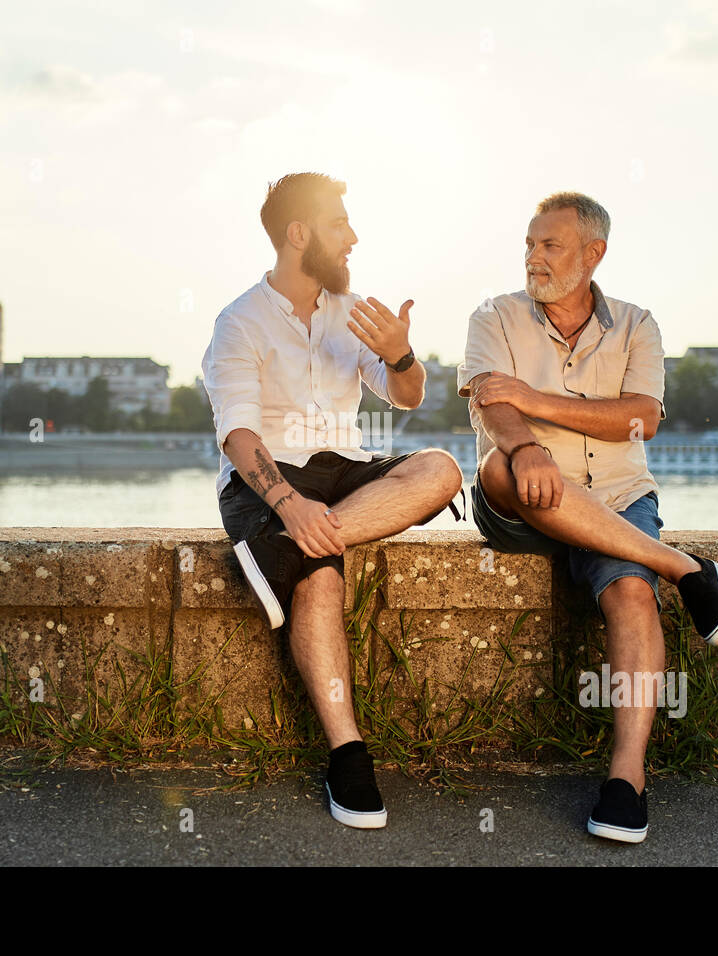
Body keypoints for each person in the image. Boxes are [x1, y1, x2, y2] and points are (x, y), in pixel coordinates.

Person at [458, 191, 718, 844]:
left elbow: (641, 417)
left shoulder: (637, 324)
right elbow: (492, 407)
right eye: (529, 243)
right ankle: (688, 570)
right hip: (522, 493)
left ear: (593, 253)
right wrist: (526, 440)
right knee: (502, 469)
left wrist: (538, 401)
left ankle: (626, 780)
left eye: (549, 245)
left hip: (615, 499)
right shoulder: (493, 316)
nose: (533, 256)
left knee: (632, 595)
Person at [201, 172, 464, 830]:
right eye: (339, 223)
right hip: (269, 477)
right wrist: (289, 504)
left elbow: (407, 397)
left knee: (441, 469)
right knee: (321, 580)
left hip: (344, 468)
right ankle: (348, 756)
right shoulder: (238, 322)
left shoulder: (352, 311)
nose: (353, 237)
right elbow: (238, 433)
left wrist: (402, 356)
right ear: (299, 234)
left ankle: (277, 557)